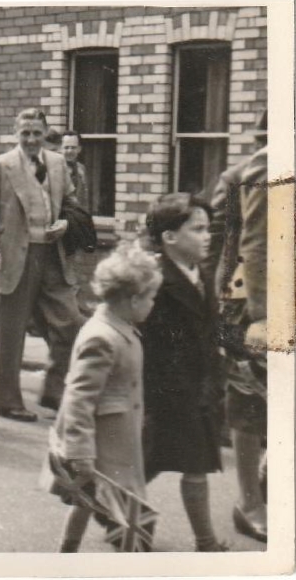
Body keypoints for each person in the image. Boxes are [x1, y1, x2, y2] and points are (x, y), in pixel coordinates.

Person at [49, 242, 162, 553]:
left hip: (115, 442)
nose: (153, 305)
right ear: (133, 299)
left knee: (87, 501)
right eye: (151, 298)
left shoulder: (119, 326)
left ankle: (67, 552)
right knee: (132, 525)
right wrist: (80, 451)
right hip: (102, 447)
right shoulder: (102, 337)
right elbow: (79, 399)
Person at [0, 108, 85, 421]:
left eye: (37, 133)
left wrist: (65, 222)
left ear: (46, 133)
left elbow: (71, 206)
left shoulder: (59, 164)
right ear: (15, 134)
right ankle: (8, 401)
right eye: (25, 133)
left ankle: (53, 392)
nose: (31, 139)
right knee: (10, 334)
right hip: (13, 258)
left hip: (52, 256)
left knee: (71, 323)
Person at [140, 193, 227, 552]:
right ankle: (113, 510)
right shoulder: (156, 279)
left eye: (208, 229)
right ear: (169, 237)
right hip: (166, 390)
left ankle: (205, 540)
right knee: (148, 462)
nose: (207, 236)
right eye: (198, 229)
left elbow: (211, 326)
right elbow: (150, 342)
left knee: (194, 462)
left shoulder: (202, 273)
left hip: (199, 385)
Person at [215, 138, 268, 544]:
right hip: (252, 301)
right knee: (248, 398)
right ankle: (249, 503)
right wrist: (266, 319)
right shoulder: (270, 165)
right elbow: (258, 247)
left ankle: (266, 476)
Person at [61, 131, 91, 214]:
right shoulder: (53, 169)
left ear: (79, 149)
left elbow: (85, 200)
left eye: (73, 147)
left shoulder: (81, 169)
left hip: (77, 219)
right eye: (66, 147)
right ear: (60, 148)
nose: (70, 151)